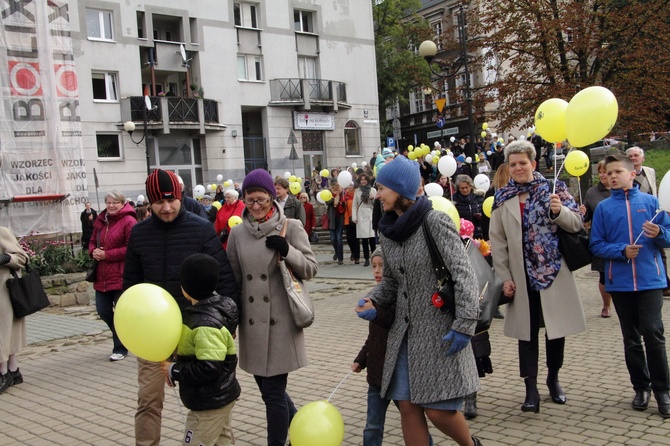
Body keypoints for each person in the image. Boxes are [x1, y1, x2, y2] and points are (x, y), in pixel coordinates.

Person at [358, 155, 484, 446]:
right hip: (404, 336)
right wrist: (371, 300)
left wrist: (465, 323)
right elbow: (390, 281)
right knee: (407, 405)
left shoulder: (434, 222)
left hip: (440, 332)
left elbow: (463, 275)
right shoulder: (388, 232)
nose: (377, 195)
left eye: (382, 188)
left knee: (438, 410)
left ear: (400, 189)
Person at [124, 169, 239, 446]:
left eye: (171, 200)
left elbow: (223, 279)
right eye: (159, 202)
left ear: (180, 197)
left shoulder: (200, 229)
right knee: (149, 402)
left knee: (211, 405)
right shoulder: (139, 235)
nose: (166, 208)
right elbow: (130, 284)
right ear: (149, 204)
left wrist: (228, 325)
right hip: (152, 335)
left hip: (196, 333)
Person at [489, 140, 586, 414]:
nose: (518, 168)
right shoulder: (502, 198)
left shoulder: (555, 190)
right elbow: (498, 242)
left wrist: (559, 211)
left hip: (553, 272)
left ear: (533, 164)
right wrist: (504, 276)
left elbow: (576, 223)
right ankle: (530, 388)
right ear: (508, 167)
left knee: (556, 331)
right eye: (513, 164)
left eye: (523, 163)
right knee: (527, 333)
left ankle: (553, 379)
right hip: (521, 276)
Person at [226, 168, 318, 446]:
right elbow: (234, 281)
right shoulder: (237, 235)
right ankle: (304, 428)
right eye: (250, 200)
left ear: (272, 197)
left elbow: (311, 268)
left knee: (274, 395)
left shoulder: (291, 227)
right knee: (269, 392)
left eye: (261, 200)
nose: (255, 206)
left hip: (281, 323)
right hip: (252, 325)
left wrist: (288, 250)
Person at [589, 152, 670, 418]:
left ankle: (663, 391)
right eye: (608, 173)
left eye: (617, 172)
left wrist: (660, 234)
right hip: (620, 283)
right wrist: (622, 250)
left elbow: (668, 237)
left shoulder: (651, 202)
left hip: (650, 280)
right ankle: (641, 387)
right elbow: (596, 245)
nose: (612, 177)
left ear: (632, 174)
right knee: (632, 338)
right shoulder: (603, 208)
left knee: (653, 332)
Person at [160, 254, 240, 446]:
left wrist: (175, 370)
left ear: (186, 288)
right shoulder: (205, 313)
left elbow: (209, 367)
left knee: (195, 441)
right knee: (223, 440)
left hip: (210, 401)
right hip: (217, 396)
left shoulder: (205, 324)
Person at [89, 191, 137, 361]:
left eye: (115, 202)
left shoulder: (129, 221)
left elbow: (130, 248)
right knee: (103, 311)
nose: (111, 206)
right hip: (102, 276)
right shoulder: (101, 220)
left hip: (121, 274)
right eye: (108, 202)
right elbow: (93, 240)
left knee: (121, 313)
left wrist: (107, 255)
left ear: (122, 203)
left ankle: (120, 347)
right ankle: (124, 337)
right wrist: (93, 251)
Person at [579, 160, 613, 318]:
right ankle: (606, 305)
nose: (602, 174)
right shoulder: (592, 192)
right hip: (600, 238)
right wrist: (582, 213)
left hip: (620, 237)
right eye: (600, 171)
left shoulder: (622, 189)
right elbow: (586, 217)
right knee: (604, 274)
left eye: (605, 171)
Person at [0, 227, 29, 394]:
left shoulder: (2, 232)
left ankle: (4, 372)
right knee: (5, 332)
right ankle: (13, 370)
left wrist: (4, 258)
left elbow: (21, 258)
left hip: (4, 290)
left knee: (3, 332)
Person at [352, 173, 377, 267]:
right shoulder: (357, 191)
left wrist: (372, 199)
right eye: (361, 179)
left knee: (371, 238)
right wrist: (354, 217)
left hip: (370, 213)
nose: (363, 181)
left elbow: (377, 204)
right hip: (361, 214)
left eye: (365, 179)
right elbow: (354, 205)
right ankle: (366, 258)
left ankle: (374, 257)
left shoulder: (373, 190)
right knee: (364, 239)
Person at [325, 180, 346, 265]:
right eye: (334, 185)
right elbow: (327, 202)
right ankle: (336, 251)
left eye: (338, 185)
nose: (336, 187)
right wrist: (334, 200)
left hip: (340, 218)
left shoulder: (342, 193)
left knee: (339, 238)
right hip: (332, 219)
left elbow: (344, 202)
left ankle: (340, 258)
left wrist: (342, 203)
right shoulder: (329, 193)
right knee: (333, 239)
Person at [344, 182, 361, 264]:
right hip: (347, 218)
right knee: (349, 239)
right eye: (348, 185)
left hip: (355, 218)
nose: (349, 187)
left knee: (356, 239)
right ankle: (353, 252)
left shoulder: (356, 193)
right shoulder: (345, 194)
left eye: (351, 185)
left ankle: (357, 256)